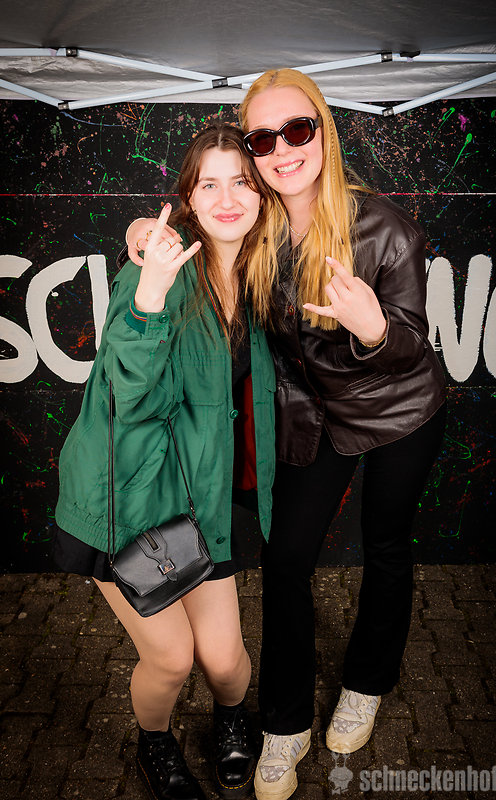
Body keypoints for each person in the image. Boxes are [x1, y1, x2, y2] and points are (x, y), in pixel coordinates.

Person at [126, 69, 447, 800]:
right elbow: (190, 240)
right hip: (313, 414)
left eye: (296, 130)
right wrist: (139, 233)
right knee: (286, 559)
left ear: (323, 133)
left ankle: (366, 682)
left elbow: (411, 347)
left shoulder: (384, 228)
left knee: (387, 546)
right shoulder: (257, 220)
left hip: (398, 408)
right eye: (262, 139)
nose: (281, 150)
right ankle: (284, 722)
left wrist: (374, 328)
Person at [54, 124, 276, 800]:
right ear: (187, 198)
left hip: (199, 499)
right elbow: (126, 393)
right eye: (209, 184)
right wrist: (148, 293)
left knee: (227, 663)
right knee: (174, 658)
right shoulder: (162, 267)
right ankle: (155, 741)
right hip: (126, 499)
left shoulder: (264, 272)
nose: (227, 198)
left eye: (241, 182)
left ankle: (232, 717)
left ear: (262, 194)